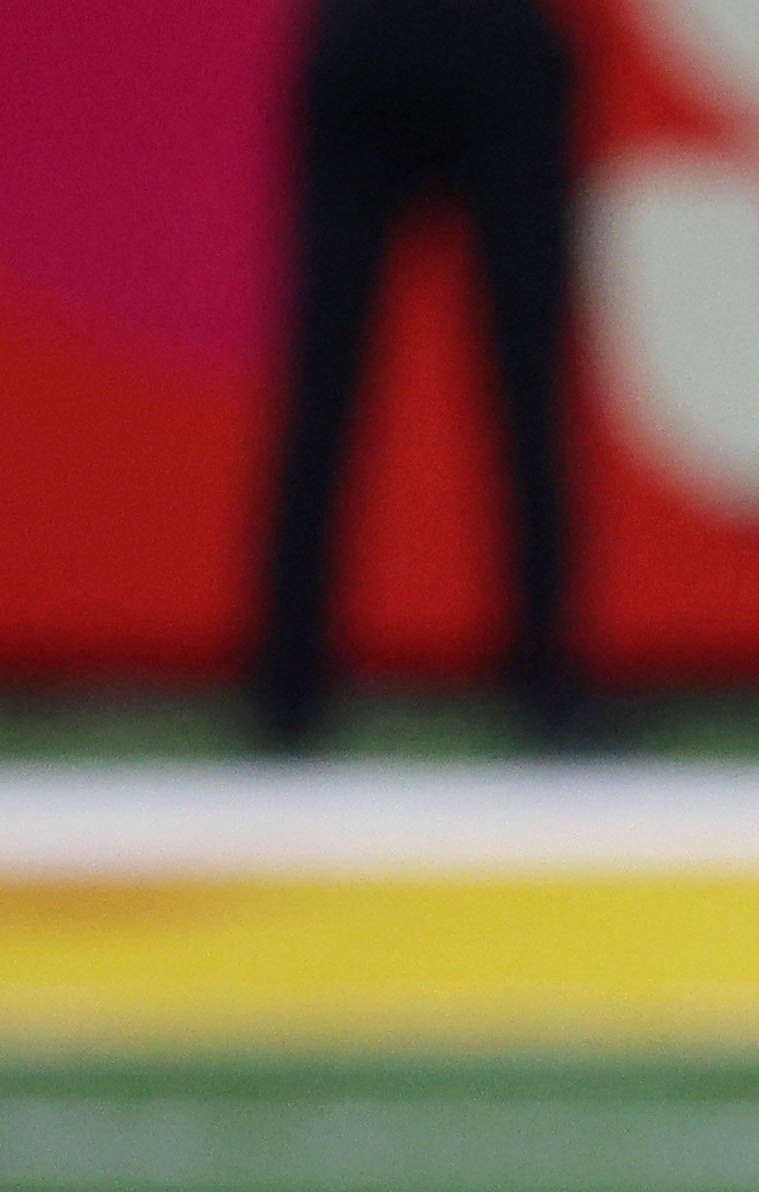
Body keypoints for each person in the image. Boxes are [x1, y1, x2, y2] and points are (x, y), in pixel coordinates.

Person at [250, 0, 590, 752]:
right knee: (329, 379)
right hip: (394, 47)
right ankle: (287, 682)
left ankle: (547, 671)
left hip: (466, 50)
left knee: (528, 384)